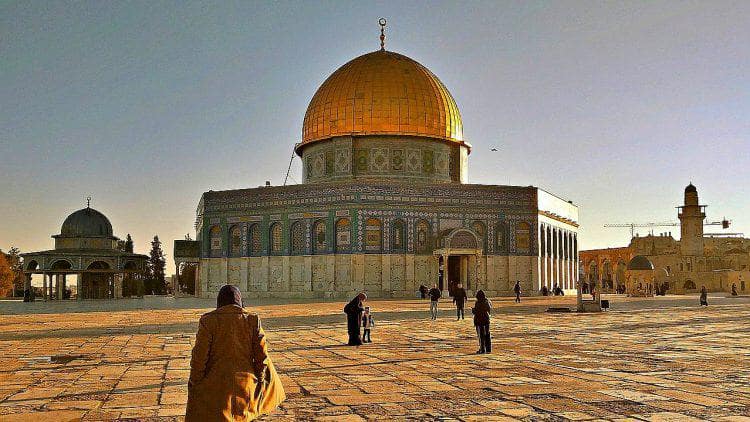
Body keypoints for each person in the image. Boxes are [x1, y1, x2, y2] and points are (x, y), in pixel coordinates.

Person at [186, 285, 285, 421]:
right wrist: (260, 380)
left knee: (196, 392)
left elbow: (199, 358)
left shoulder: (208, 321)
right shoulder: (252, 320)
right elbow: (262, 357)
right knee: (270, 369)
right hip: (246, 387)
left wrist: (194, 383)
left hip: (215, 390)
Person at [471, 290, 492, 354]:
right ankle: (488, 348)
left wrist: (473, 310)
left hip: (479, 320)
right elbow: (489, 310)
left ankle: (482, 349)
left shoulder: (478, 302)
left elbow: (476, 311)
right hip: (486, 320)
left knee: (481, 335)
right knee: (487, 334)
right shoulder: (487, 301)